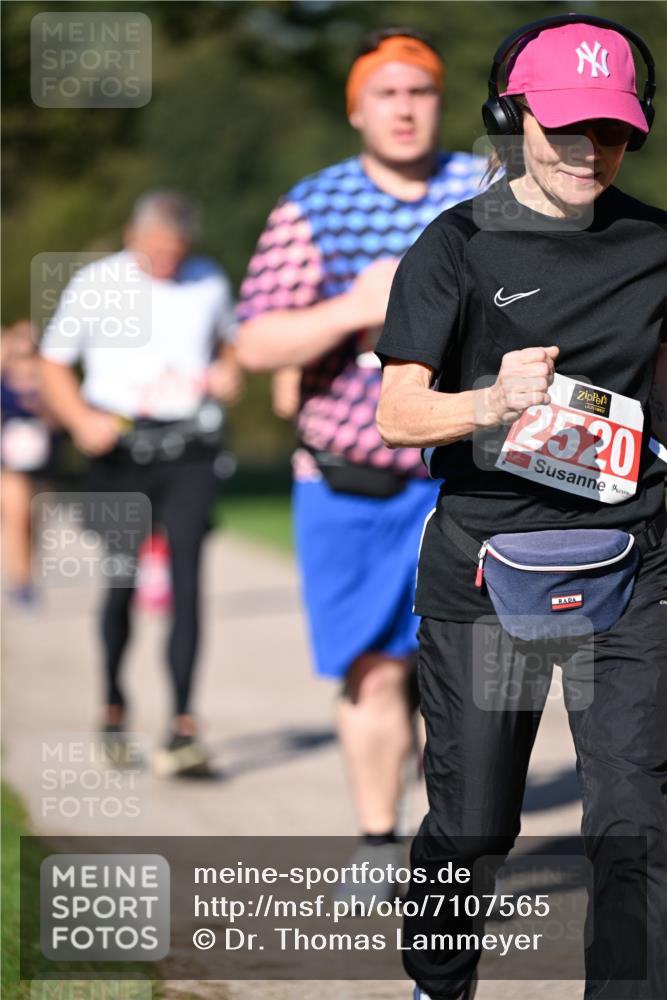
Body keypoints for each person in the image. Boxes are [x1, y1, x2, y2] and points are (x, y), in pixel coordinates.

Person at [376, 14, 666, 1000]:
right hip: (486, 565)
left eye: (615, 129)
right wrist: (490, 403)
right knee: (474, 821)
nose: (591, 150)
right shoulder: (453, 245)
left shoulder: (657, 247)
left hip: (633, 562)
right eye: (566, 127)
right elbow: (394, 409)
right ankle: (438, 985)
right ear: (512, 121)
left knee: (636, 820)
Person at [236, 27, 486, 868]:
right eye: (387, 93)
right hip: (351, 484)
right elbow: (257, 343)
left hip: (464, 474)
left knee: (465, 676)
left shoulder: (480, 188)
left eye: (419, 91)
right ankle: (379, 844)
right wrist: (354, 306)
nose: (405, 108)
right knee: (376, 672)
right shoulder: (314, 205)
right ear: (356, 109)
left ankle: (454, 845)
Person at [40, 189, 243, 776]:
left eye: (176, 253)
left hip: (190, 447)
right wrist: (80, 420)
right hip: (120, 449)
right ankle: (112, 705)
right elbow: (54, 360)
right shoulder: (96, 282)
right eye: (157, 252)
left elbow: (228, 343)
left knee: (187, 581)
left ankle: (182, 725)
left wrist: (228, 371)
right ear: (134, 237)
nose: (167, 264)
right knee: (122, 580)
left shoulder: (207, 279)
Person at [1, 320, 58, 606]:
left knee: (34, 522)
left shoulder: (50, 383)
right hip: (8, 465)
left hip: (41, 464)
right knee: (17, 516)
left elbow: (63, 423)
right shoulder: (3, 382)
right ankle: (20, 581)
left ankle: (25, 576)